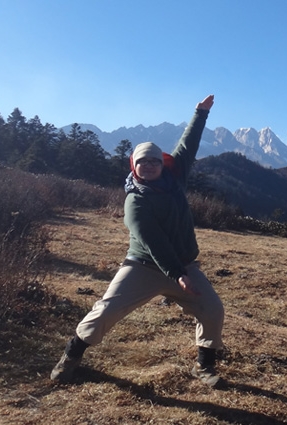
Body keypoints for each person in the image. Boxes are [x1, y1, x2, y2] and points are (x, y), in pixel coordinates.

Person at [50, 94, 225, 387]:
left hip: (183, 267)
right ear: (134, 166)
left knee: (212, 310)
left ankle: (205, 367)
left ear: (162, 164)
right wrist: (178, 275)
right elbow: (153, 241)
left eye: (154, 162)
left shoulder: (175, 179)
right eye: (142, 162)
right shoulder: (135, 201)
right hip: (143, 267)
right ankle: (70, 358)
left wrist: (200, 113)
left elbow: (188, 145)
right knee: (105, 312)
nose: (149, 166)